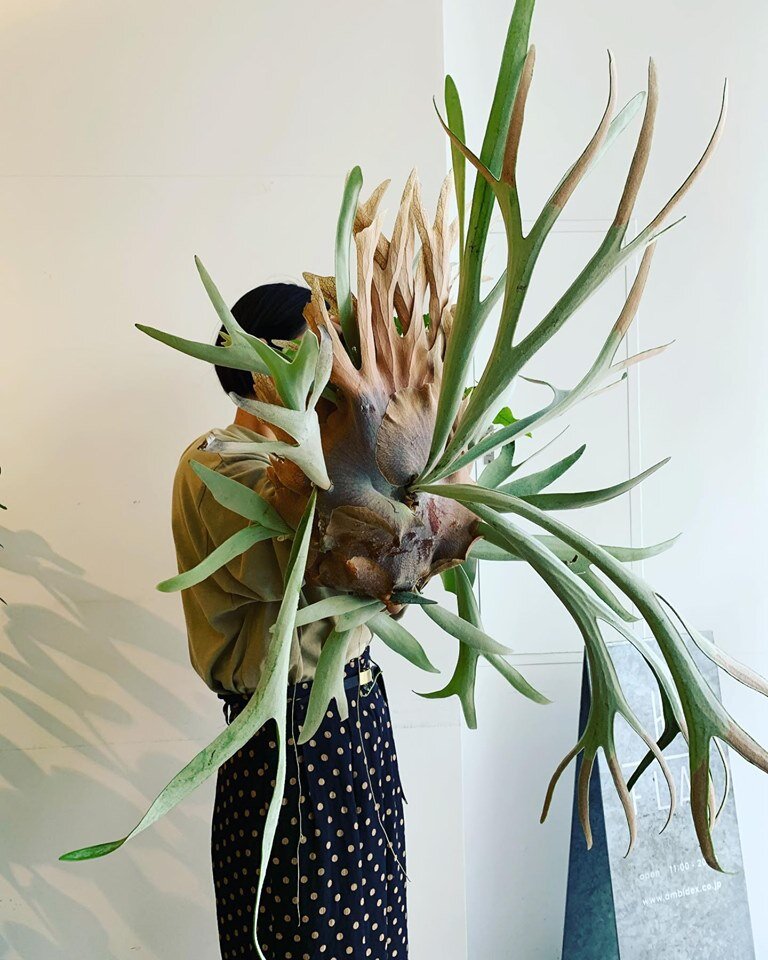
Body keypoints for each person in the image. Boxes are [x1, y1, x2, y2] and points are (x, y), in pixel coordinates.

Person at [170, 281, 409, 960]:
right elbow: (316, 555)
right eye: (323, 352)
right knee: (308, 939)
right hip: (293, 744)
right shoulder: (217, 467)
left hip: (357, 725)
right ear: (262, 365)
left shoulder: (317, 464)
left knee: (373, 935)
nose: (341, 373)